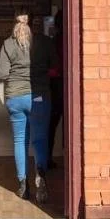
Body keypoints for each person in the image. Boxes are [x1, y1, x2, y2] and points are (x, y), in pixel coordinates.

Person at [0, 10, 58, 203]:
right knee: (40, 140)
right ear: (34, 23)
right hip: (38, 97)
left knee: (20, 140)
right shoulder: (45, 42)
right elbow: (55, 68)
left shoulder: (8, 44)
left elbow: (3, 74)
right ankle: (40, 177)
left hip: (15, 97)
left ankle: (23, 185)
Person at [46, 11, 64, 169]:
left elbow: (52, 65)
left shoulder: (54, 41)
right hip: (66, 85)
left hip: (56, 85)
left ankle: (47, 158)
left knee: (51, 125)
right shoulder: (71, 38)